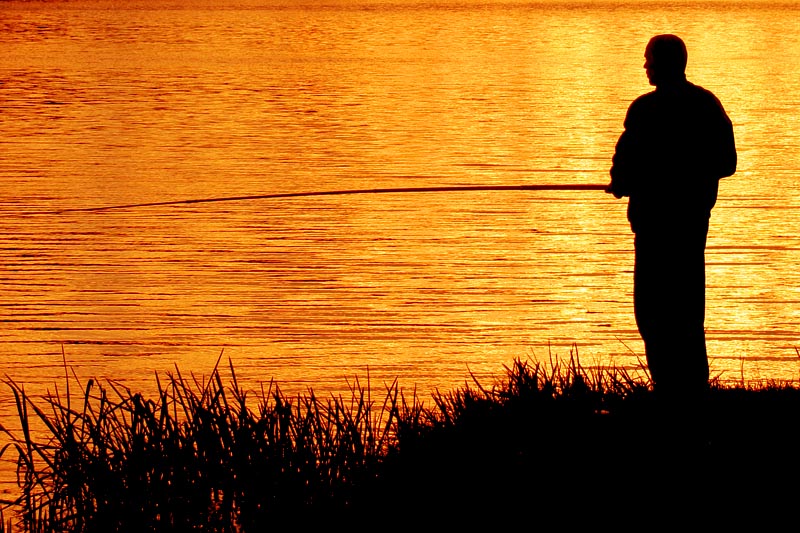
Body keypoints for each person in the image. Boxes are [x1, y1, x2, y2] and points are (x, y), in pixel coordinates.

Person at [606, 35, 737, 406]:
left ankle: (670, 394)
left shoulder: (645, 110)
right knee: (687, 312)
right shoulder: (707, 104)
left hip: (655, 228)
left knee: (653, 313)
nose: (644, 65)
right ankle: (691, 394)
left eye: (648, 59)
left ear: (664, 63)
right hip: (691, 226)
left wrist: (623, 183)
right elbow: (726, 163)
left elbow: (625, 163)